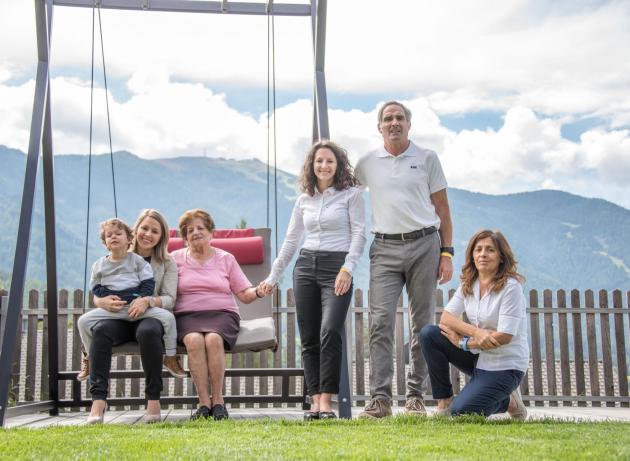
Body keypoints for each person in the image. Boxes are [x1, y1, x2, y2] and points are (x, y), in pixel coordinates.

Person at [355, 100, 454, 418]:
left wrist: (447, 252)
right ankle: (380, 400)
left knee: (422, 325)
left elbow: (443, 209)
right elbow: (346, 196)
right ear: (379, 127)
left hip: (425, 244)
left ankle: (415, 397)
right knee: (380, 322)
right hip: (384, 248)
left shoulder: (427, 158)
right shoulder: (367, 162)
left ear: (409, 125)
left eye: (400, 118)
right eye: (388, 118)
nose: (394, 122)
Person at [259, 140, 366, 420]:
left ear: (338, 165)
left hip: (337, 267)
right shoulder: (304, 200)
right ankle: (315, 401)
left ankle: (327, 402)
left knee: (329, 331)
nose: (324, 165)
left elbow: (359, 234)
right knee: (308, 338)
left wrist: (348, 269)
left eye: (330, 160)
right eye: (319, 160)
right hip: (305, 266)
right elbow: (291, 241)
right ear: (312, 165)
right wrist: (273, 276)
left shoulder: (351, 195)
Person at [83, 210, 185, 424]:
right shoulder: (116, 254)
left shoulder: (166, 262)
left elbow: (170, 299)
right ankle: (98, 401)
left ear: (161, 236)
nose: (148, 234)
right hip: (118, 316)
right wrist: (100, 302)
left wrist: (148, 301)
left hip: (147, 315)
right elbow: (98, 288)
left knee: (148, 331)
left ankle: (153, 400)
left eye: (155, 231)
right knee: (100, 330)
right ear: (135, 231)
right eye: (144, 228)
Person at [419, 229, 529, 420]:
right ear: (472, 255)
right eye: (478, 250)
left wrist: (463, 343)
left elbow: (504, 336)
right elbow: (446, 318)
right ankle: (444, 402)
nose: (483, 254)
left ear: (501, 257)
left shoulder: (511, 288)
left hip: (505, 365)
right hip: (479, 356)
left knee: (461, 413)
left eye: (490, 250)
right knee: (430, 334)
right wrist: (476, 333)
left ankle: (509, 402)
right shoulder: (470, 283)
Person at [172, 208, 262, 421]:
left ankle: (219, 401)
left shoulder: (226, 259)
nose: (195, 232)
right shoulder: (174, 259)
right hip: (187, 314)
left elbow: (244, 294)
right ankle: (204, 403)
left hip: (222, 314)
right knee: (193, 340)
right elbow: (165, 291)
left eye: (200, 228)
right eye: (190, 230)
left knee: (213, 339)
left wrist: (259, 291)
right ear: (185, 237)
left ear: (211, 232)